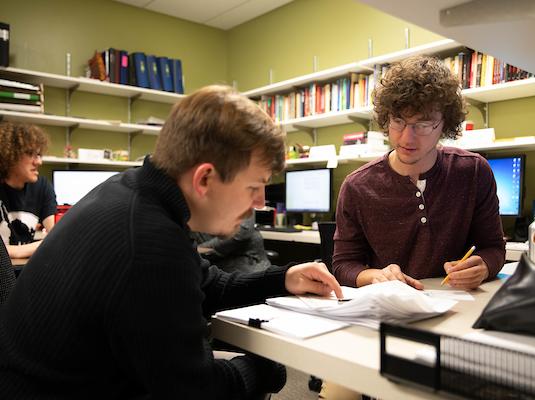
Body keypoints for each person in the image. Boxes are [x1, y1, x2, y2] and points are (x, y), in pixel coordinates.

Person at [0, 85, 342, 399]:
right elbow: (195, 391)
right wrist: (266, 368)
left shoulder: (130, 191)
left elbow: (208, 284)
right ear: (205, 178)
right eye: (254, 186)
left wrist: (283, 278)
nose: (259, 203)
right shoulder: (149, 243)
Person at [333, 55, 506, 291]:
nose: (407, 137)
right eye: (398, 121)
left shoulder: (474, 171)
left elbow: (494, 247)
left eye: (423, 125)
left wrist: (484, 266)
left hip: (458, 304)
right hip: (391, 309)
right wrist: (376, 276)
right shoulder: (357, 187)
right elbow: (343, 265)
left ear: (445, 124)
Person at [0, 121, 57, 259]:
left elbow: (57, 236)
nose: (39, 162)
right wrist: (30, 248)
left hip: (25, 272)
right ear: (10, 155)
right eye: (31, 154)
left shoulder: (42, 186)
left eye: (39, 155)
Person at [191, 213, 271, 274]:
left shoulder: (239, 199)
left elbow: (242, 232)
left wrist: (201, 249)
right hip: (213, 270)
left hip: (250, 266)